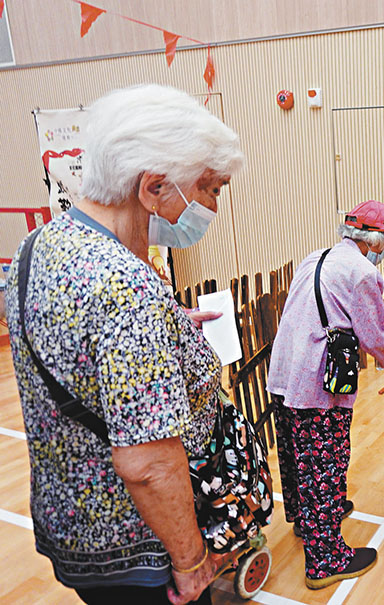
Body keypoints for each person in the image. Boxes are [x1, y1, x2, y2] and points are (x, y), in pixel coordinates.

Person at [6, 84, 244, 604]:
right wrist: (192, 561)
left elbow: (71, 343)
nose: (211, 206)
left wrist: (166, 326)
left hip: (69, 521)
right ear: (155, 187)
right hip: (138, 545)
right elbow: (147, 463)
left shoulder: (38, 245)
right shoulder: (124, 286)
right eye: (211, 188)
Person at [267, 200, 384, 590]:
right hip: (315, 381)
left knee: (300, 456)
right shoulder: (363, 272)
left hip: (284, 372)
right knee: (324, 461)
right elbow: (373, 336)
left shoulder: (317, 257)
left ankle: (310, 519)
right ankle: (325, 560)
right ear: (376, 239)